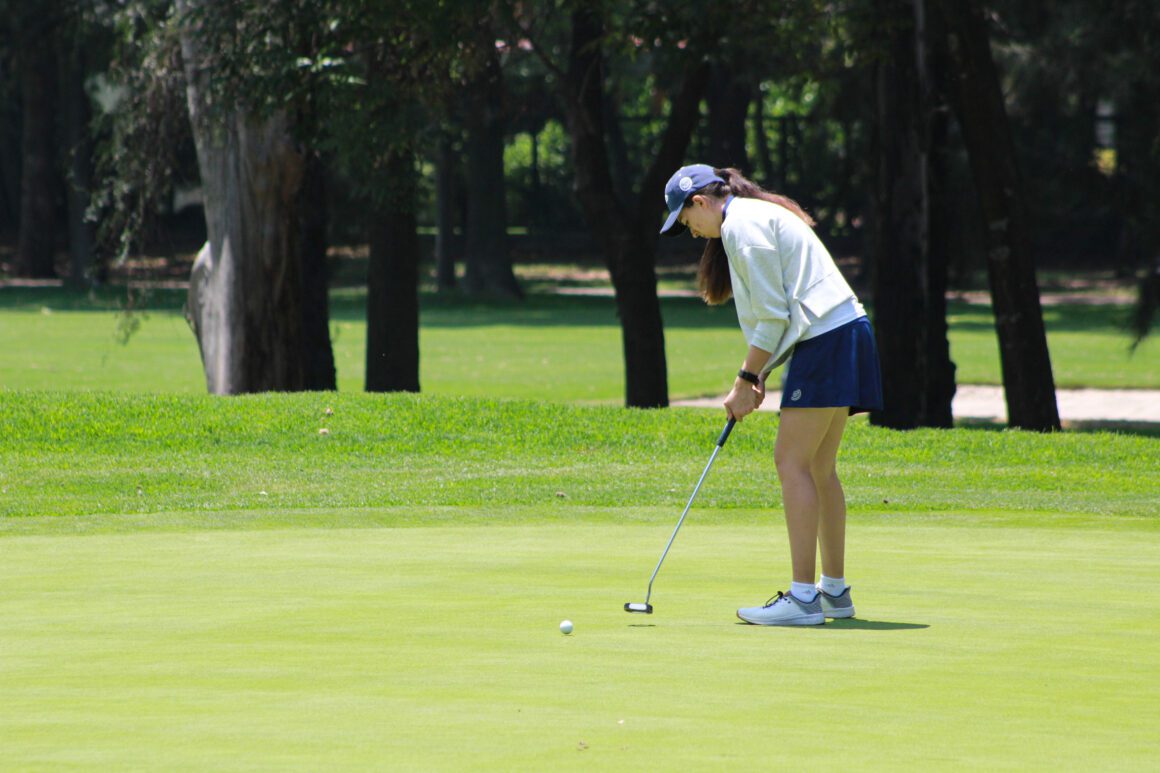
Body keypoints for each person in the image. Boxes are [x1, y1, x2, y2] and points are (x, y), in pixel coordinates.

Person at [660, 164, 883, 626]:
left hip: (827, 338)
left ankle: (803, 599)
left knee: (791, 463)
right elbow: (784, 314)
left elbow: (774, 318)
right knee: (819, 467)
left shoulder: (742, 229)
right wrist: (758, 375)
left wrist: (746, 379)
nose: (694, 232)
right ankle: (834, 593)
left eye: (687, 221)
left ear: (700, 203)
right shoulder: (753, 218)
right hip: (845, 331)